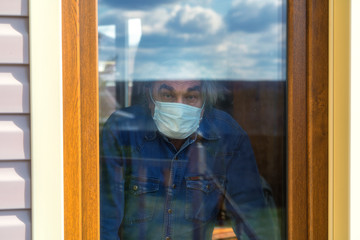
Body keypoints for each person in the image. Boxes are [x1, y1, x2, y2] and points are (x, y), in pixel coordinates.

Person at [100, 80, 279, 240]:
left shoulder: (228, 136)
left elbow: (253, 220)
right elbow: (104, 220)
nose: (179, 107)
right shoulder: (123, 129)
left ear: (204, 104)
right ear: (149, 98)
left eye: (191, 96)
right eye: (167, 95)